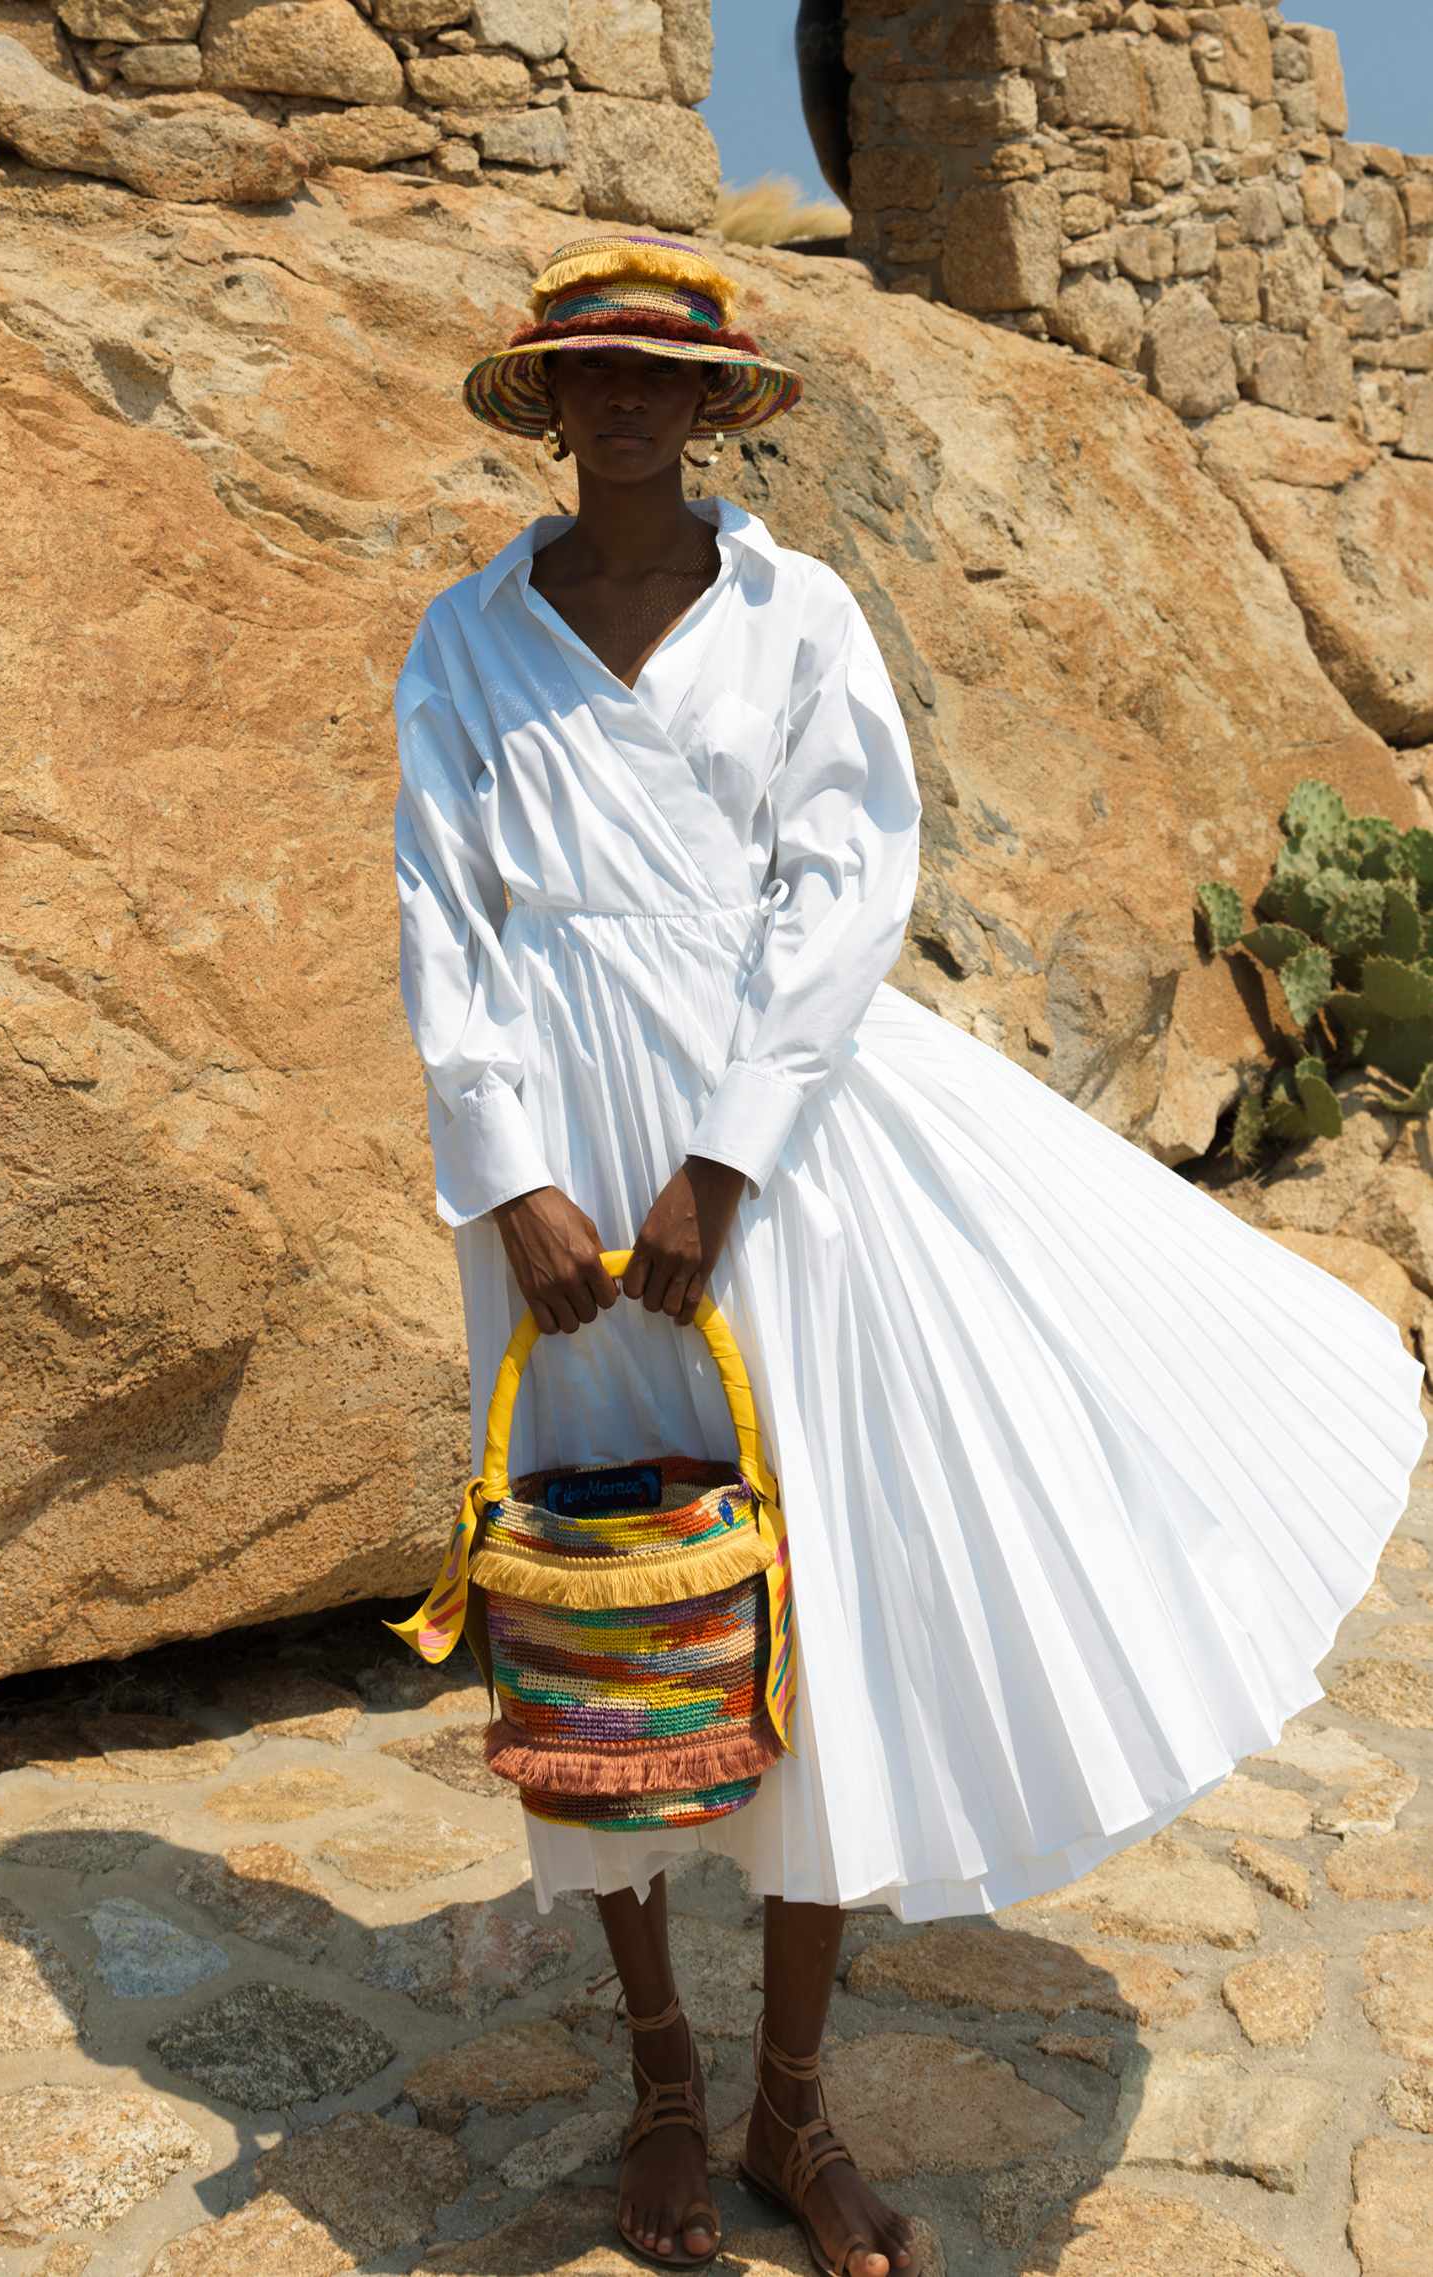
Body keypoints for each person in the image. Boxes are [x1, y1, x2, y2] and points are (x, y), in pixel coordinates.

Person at [391, 233, 1428, 2277]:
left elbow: (846, 890)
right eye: (586, 371)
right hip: (547, 1172)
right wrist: (505, 1171)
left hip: (764, 1157)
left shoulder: (793, 616)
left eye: (655, 379)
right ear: (544, 399)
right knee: (589, 1588)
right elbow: (445, 906)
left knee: (802, 1592)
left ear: (709, 411)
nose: (621, 404)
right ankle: (661, 2080)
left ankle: (787, 2094)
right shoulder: (464, 639)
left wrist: (721, 1163)